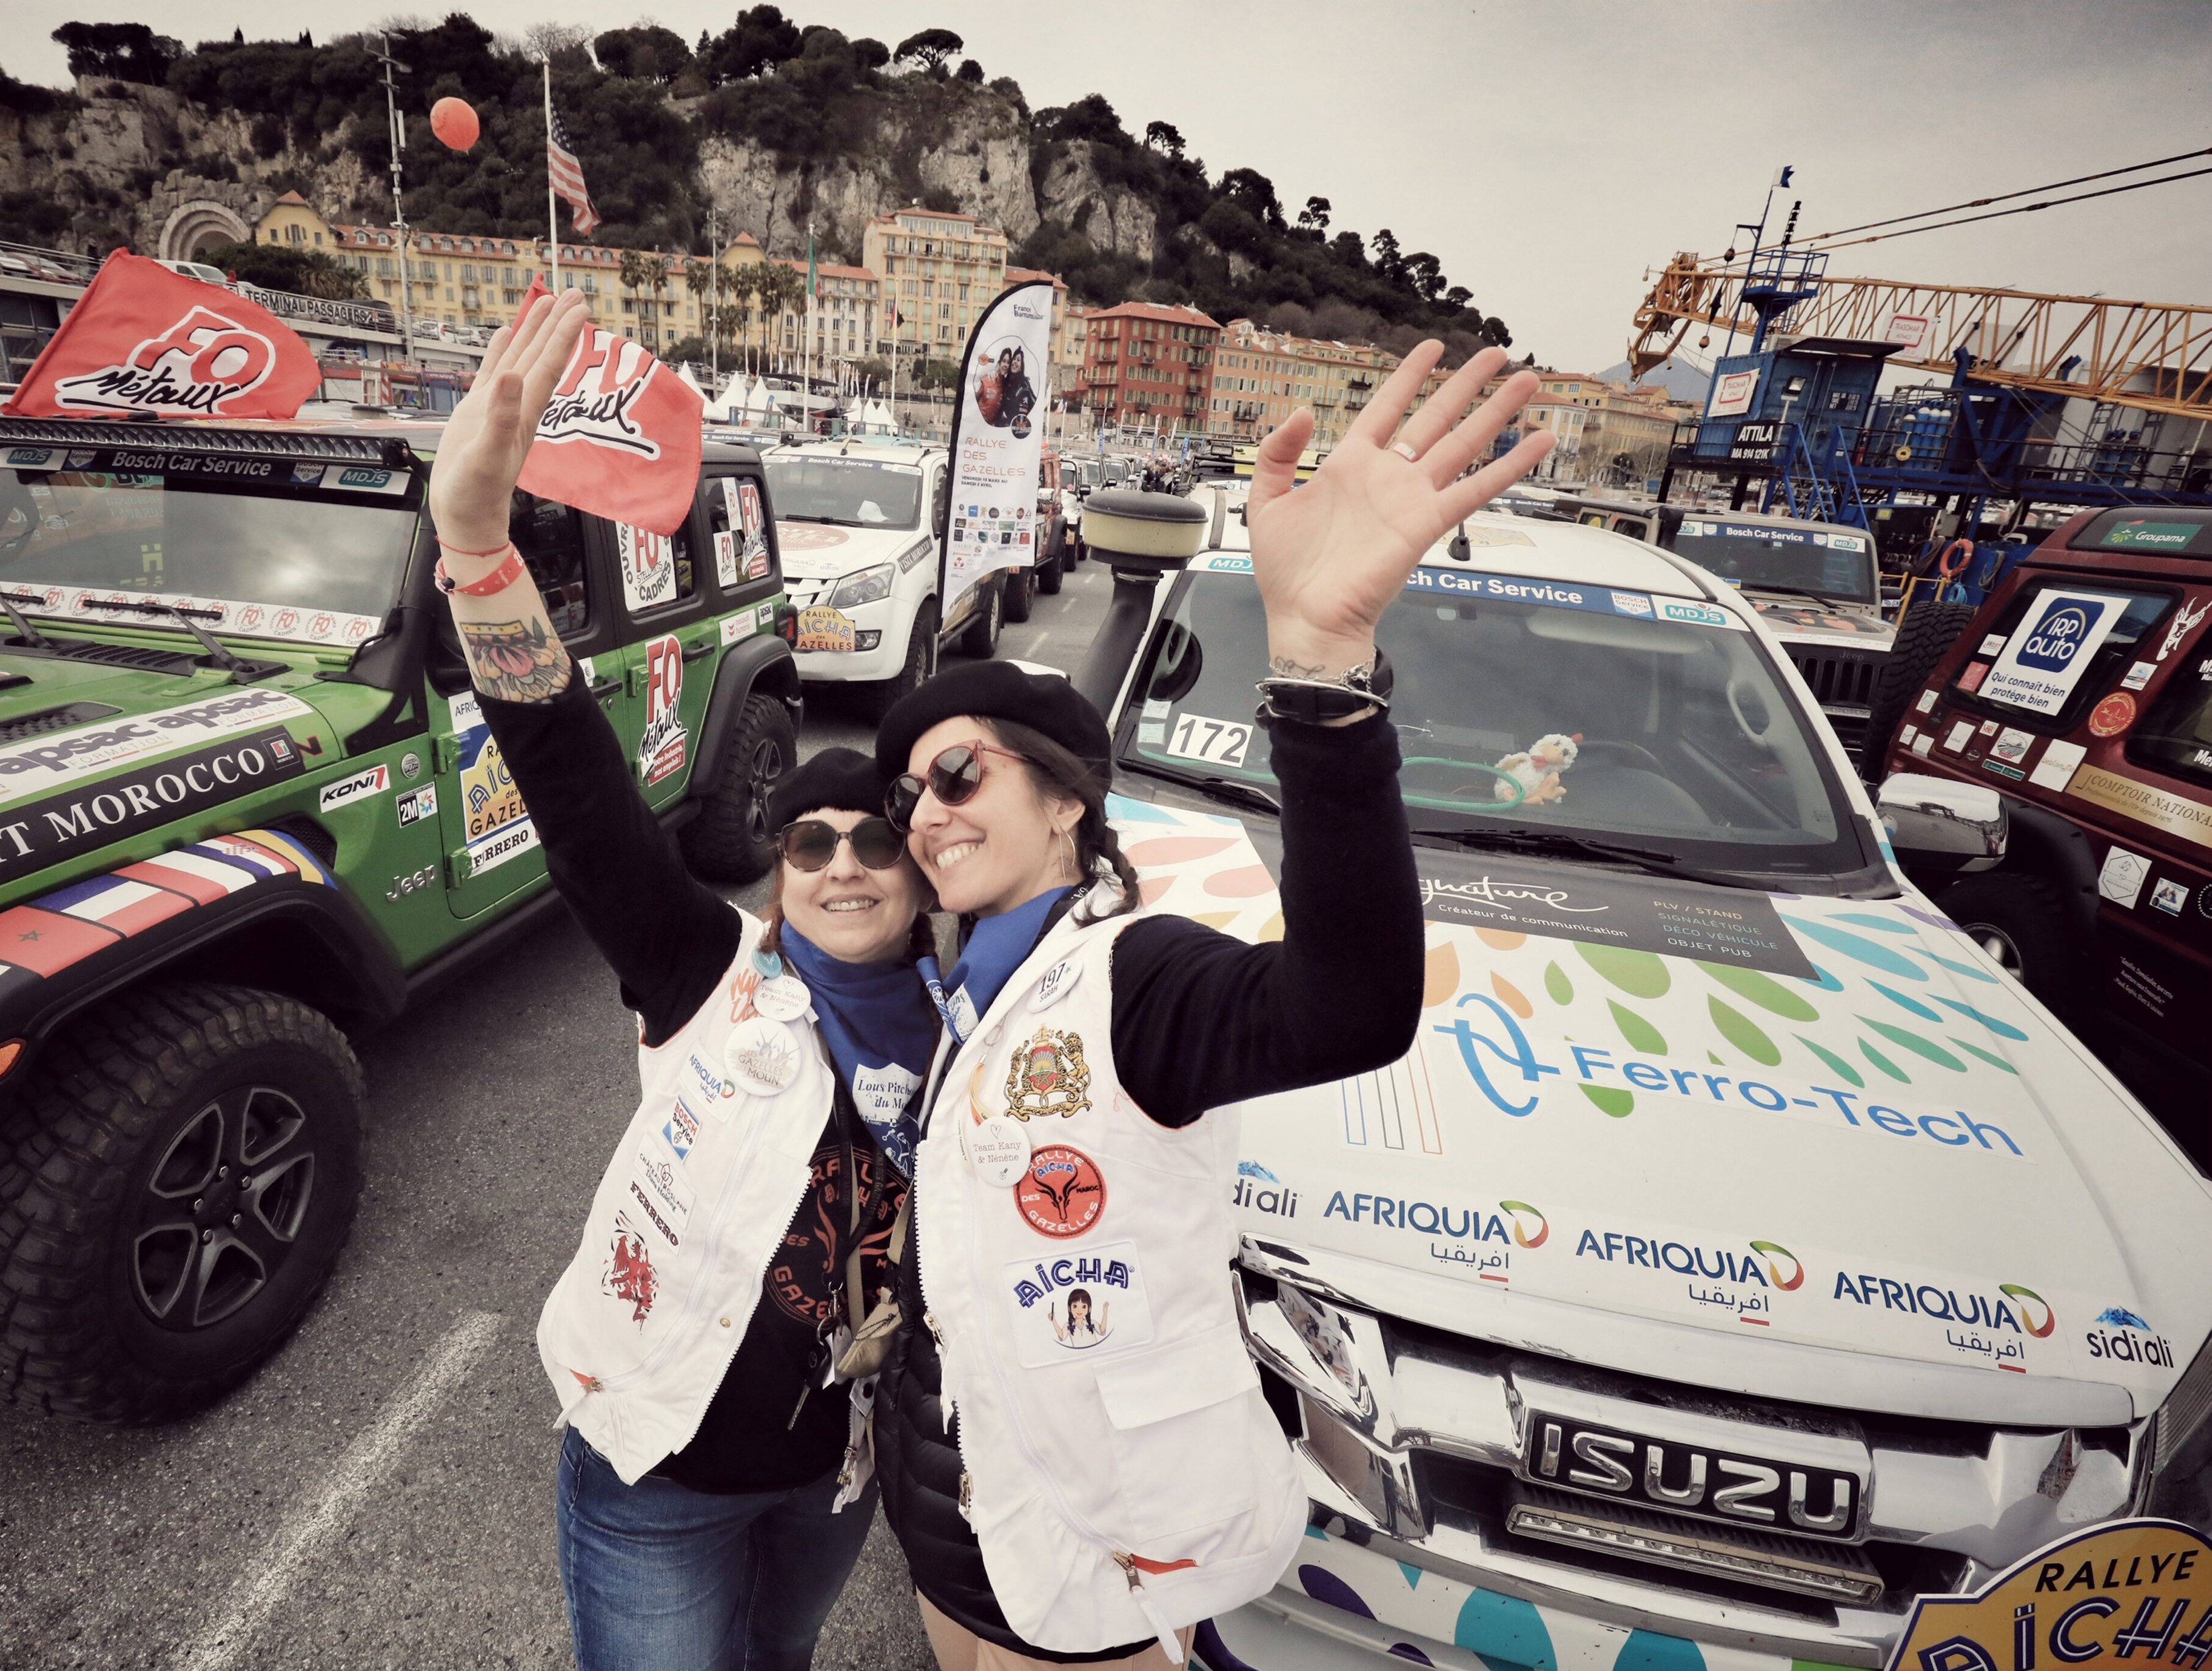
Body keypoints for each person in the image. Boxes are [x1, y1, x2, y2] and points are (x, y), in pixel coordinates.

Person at [870, 343, 1554, 1668]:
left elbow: (1350, 1006)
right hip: (949, 1512)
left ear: (1066, 797)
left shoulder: (1137, 974)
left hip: (1090, 1541)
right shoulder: (961, 981)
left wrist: (1322, 673)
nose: (927, 812)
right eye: (911, 796)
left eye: (957, 774)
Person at [426, 289, 945, 1671]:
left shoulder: (980, 1035)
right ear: (781, 868)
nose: (841, 861)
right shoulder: (711, 973)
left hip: (836, 1477)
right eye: (810, 838)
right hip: (653, 1470)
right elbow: (578, 787)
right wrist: (479, 549)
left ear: (921, 871)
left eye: (877, 838)